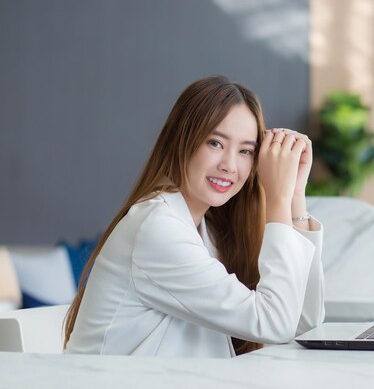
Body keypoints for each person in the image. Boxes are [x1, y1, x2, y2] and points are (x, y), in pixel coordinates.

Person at [64, 75, 324, 358]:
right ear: (182, 141)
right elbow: (276, 324)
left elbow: (303, 322)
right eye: (215, 143)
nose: (229, 165)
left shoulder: (207, 230)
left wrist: (296, 195)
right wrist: (277, 198)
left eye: (245, 151)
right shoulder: (158, 228)